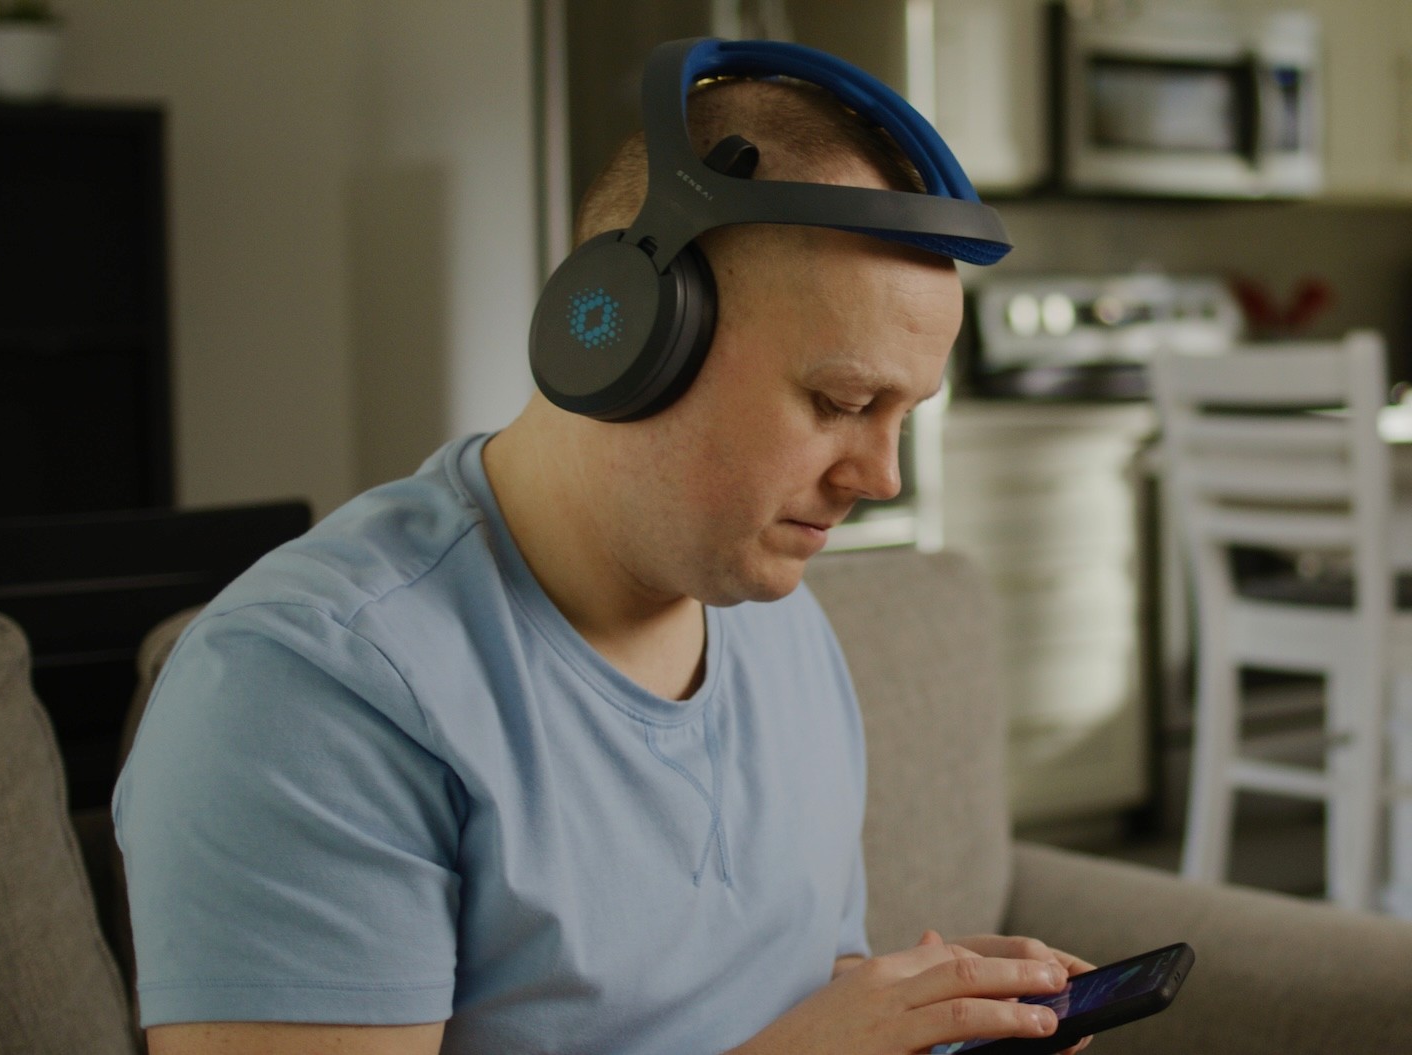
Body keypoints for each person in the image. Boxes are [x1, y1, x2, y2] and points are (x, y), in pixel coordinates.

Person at [115, 67, 1095, 1055]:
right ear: (627, 335)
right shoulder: (312, 691)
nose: (881, 476)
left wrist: (921, 1012)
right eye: (843, 404)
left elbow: (779, 988)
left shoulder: (773, 609)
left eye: (904, 416)